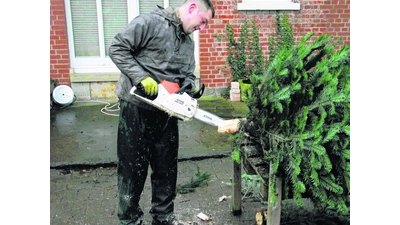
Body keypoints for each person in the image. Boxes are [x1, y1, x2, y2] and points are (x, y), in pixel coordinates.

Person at [108, 0, 215, 224]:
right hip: (136, 109)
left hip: (167, 112)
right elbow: (117, 48)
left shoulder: (187, 40)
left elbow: (187, 72)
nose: (202, 28)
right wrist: (140, 77)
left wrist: (189, 86)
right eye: (203, 22)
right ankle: (129, 219)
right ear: (192, 7)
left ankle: (163, 216)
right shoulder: (149, 23)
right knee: (132, 170)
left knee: (166, 168)